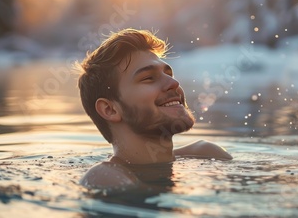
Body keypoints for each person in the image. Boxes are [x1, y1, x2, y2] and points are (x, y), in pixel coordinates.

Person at [76, 29, 232, 189]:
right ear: (110, 110)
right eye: (148, 78)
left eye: (169, 74)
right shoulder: (104, 176)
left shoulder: (207, 154)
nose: (174, 83)